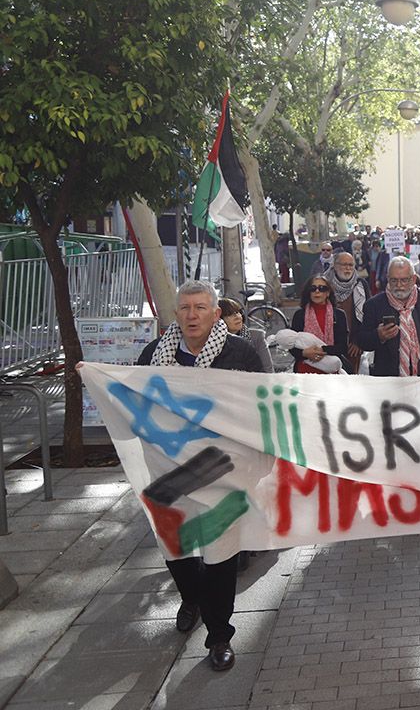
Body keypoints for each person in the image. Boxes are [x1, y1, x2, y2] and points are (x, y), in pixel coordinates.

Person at [135, 280, 264, 671]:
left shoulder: (239, 352)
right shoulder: (154, 354)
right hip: (169, 470)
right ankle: (191, 595)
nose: (192, 315)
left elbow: (261, 404)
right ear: (176, 314)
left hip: (222, 470)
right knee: (175, 544)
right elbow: (132, 398)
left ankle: (219, 635)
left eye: (200, 308)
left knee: (221, 552)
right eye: (185, 308)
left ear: (214, 312)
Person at [288, 275, 349, 374]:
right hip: (305, 370)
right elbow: (291, 345)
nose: (317, 291)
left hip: (331, 370)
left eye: (322, 288)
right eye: (313, 288)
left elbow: (343, 347)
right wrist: (304, 353)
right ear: (309, 292)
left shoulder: (339, 315)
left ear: (328, 293)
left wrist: (322, 350)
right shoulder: (300, 315)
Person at [325, 251, 367, 374]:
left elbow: (368, 316)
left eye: (351, 265)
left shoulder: (360, 285)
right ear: (335, 265)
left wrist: (358, 341)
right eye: (344, 265)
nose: (348, 268)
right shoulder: (323, 285)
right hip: (327, 346)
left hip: (352, 347)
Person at [218, 297, 272, 373]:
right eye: (229, 315)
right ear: (219, 320)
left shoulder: (257, 337)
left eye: (237, 312)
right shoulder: (215, 343)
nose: (237, 317)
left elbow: (268, 370)